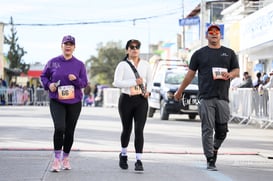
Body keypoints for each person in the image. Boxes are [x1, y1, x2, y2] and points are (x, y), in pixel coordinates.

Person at [174, 24, 240, 171]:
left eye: (217, 32)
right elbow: (190, 75)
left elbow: (236, 70)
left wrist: (230, 74)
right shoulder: (199, 54)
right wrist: (179, 91)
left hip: (222, 97)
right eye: (211, 32)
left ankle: (215, 148)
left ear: (220, 35)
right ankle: (210, 159)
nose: (214, 34)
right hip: (205, 97)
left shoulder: (229, 53)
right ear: (207, 36)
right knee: (207, 129)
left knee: (222, 131)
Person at [40, 35, 88, 172]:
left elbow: (84, 83)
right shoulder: (53, 62)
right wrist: (49, 85)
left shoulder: (79, 64)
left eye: (71, 44)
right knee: (60, 128)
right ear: (61, 46)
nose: (68, 46)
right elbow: (43, 76)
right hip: (57, 100)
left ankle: (65, 157)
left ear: (74, 47)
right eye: (65, 44)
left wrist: (76, 79)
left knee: (69, 131)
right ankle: (56, 160)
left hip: (74, 102)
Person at [113, 39, 152, 171]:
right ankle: (123, 154)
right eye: (132, 47)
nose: (135, 49)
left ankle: (139, 160)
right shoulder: (122, 65)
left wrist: (148, 91)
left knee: (139, 130)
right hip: (126, 100)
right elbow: (116, 83)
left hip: (141, 100)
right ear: (127, 50)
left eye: (137, 47)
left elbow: (150, 81)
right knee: (127, 129)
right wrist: (133, 81)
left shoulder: (146, 64)